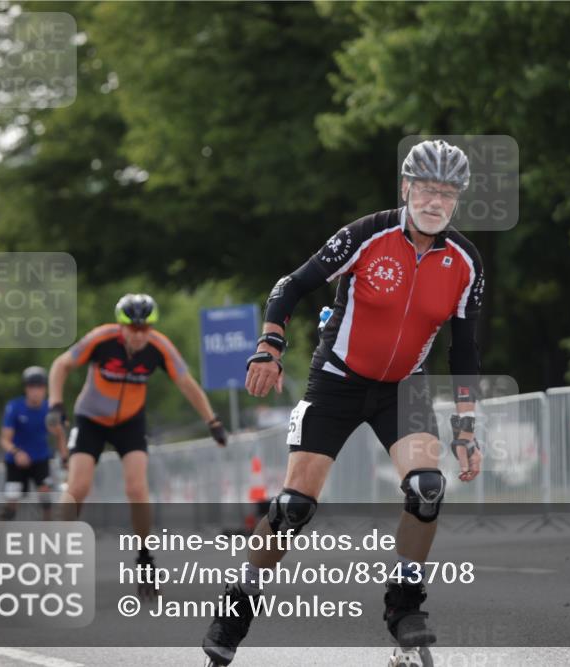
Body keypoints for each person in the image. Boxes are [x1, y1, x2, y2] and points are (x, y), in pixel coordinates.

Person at [203, 139, 484, 664]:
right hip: (337, 381)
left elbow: (464, 349)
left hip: (403, 387)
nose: (435, 202)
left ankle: (405, 605)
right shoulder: (367, 234)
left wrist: (466, 427)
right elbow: (290, 286)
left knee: (427, 487)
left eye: (447, 193)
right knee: (294, 507)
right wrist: (269, 347)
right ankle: (238, 602)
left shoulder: (465, 261)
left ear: (458, 199)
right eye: (426, 189)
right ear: (406, 187)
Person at [47, 293, 227, 591]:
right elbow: (60, 365)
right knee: (78, 487)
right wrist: (55, 404)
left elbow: (186, 383)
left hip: (130, 422)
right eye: (134, 328)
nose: (140, 335)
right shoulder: (101, 339)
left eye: (145, 328)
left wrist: (213, 421)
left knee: (137, 488)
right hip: (91, 419)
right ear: (121, 326)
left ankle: (145, 558)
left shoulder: (159, 347)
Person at [0, 366, 68, 520]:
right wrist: (17, 453)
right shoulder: (15, 407)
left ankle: (49, 531)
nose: (36, 391)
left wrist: (64, 459)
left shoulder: (49, 410)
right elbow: (4, 440)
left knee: (46, 499)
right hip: (16, 461)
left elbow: (60, 434)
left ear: (45, 389)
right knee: (11, 502)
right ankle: (0, 531)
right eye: (32, 387)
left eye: (40, 387)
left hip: (40, 459)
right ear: (26, 389)